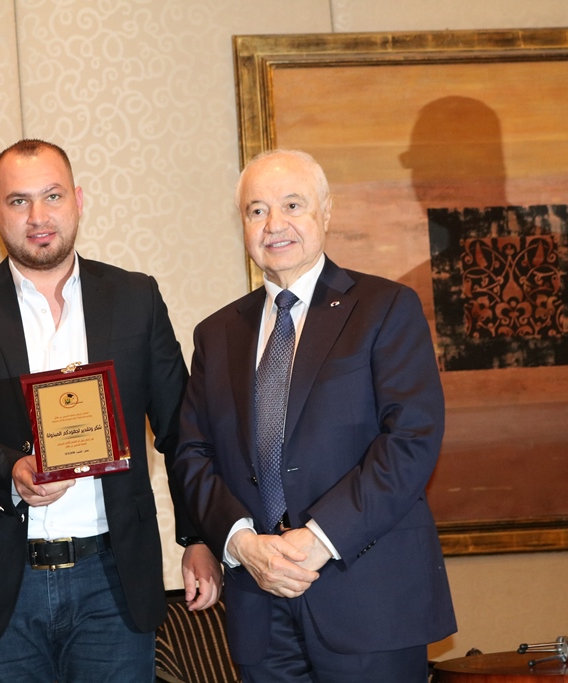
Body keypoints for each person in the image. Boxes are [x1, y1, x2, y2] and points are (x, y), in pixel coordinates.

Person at [0, 139, 221, 682]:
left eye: (52, 196)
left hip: (113, 582)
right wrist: (8, 469)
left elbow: (183, 430)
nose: (38, 216)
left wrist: (198, 537)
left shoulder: (136, 298)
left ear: (78, 200)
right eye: (19, 201)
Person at [173, 149, 456, 683]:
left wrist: (319, 538)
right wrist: (241, 543)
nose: (274, 225)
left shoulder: (385, 308)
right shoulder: (216, 333)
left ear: (326, 212)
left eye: (292, 205)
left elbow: (411, 438)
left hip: (369, 597)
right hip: (259, 600)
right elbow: (193, 453)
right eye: (257, 210)